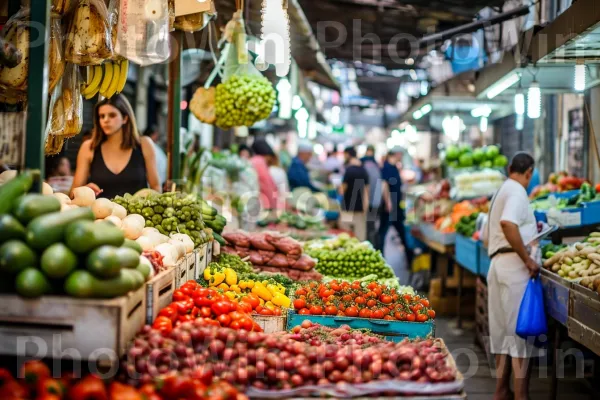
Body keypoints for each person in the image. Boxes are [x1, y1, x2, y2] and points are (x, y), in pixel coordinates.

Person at [483, 152, 540, 400]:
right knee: (518, 336)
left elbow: (487, 232)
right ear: (528, 173)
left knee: (501, 333)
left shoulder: (501, 190)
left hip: (497, 265)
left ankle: (501, 391)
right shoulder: (517, 191)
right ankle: (521, 396)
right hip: (513, 267)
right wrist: (527, 259)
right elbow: (508, 223)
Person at [71, 94, 161, 198]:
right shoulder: (89, 147)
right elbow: (73, 194)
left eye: (112, 115)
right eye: (102, 116)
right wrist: (85, 190)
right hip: (101, 213)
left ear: (125, 118)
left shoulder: (144, 144)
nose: (106, 120)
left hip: (137, 213)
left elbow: (156, 187)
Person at [380, 148, 413, 265]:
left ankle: (409, 256)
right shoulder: (387, 167)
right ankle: (380, 257)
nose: (401, 156)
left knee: (400, 230)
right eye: (401, 154)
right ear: (396, 154)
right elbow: (384, 184)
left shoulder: (394, 167)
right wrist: (388, 202)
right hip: (390, 207)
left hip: (397, 206)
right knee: (383, 232)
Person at [339, 146, 369, 241]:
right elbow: (366, 191)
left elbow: (342, 190)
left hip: (347, 208)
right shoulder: (364, 170)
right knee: (360, 238)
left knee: (346, 237)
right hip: (360, 208)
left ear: (348, 154)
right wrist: (365, 207)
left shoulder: (349, 170)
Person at [361, 145, 383, 249]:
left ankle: (371, 248)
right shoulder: (376, 166)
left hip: (369, 202)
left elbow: (366, 187)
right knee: (372, 227)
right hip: (375, 202)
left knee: (368, 227)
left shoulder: (364, 165)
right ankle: (374, 248)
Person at [250, 138, 279, 210]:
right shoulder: (259, 162)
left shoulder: (254, 160)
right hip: (262, 205)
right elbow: (267, 186)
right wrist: (273, 206)